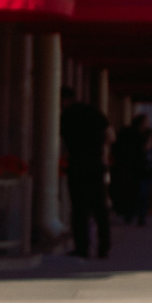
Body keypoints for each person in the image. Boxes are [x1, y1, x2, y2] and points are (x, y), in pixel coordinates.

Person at [59, 87, 111, 259]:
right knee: (99, 208)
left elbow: (62, 142)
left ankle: (82, 247)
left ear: (64, 100)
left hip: (77, 165)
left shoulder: (66, 116)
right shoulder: (93, 112)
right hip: (95, 165)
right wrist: (100, 149)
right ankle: (104, 246)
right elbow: (111, 135)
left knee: (79, 209)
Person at [110, 105, 152, 225]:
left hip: (139, 167)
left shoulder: (130, 133)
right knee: (139, 193)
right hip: (136, 167)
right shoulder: (138, 135)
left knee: (139, 193)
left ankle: (135, 215)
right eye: (146, 122)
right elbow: (145, 148)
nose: (148, 124)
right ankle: (136, 215)